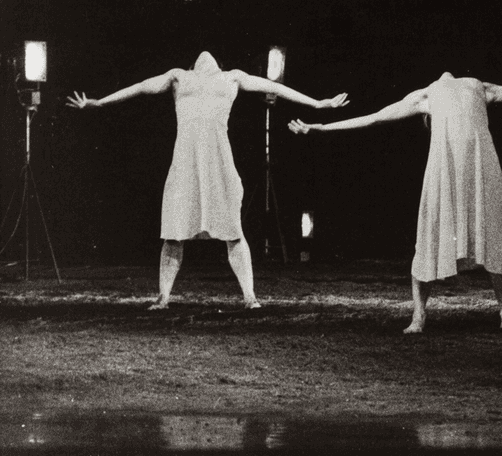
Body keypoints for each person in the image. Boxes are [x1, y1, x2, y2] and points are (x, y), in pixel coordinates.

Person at [288, 70, 502, 333]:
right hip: (445, 173)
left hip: (482, 171)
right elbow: (373, 119)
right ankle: (419, 315)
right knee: (430, 237)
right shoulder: (427, 96)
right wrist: (319, 127)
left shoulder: (478, 88)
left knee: (493, 236)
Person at [66, 51, 349, 310]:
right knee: (174, 233)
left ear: (219, 64)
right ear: (192, 65)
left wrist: (317, 103)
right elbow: (141, 86)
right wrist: (99, 102)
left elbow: (274, 87)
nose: (205, 53)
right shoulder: (178, 76)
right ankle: (163, 296)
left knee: (233, 232)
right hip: (185, 162)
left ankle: (250, 296)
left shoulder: (233, 77)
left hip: (218, 162)